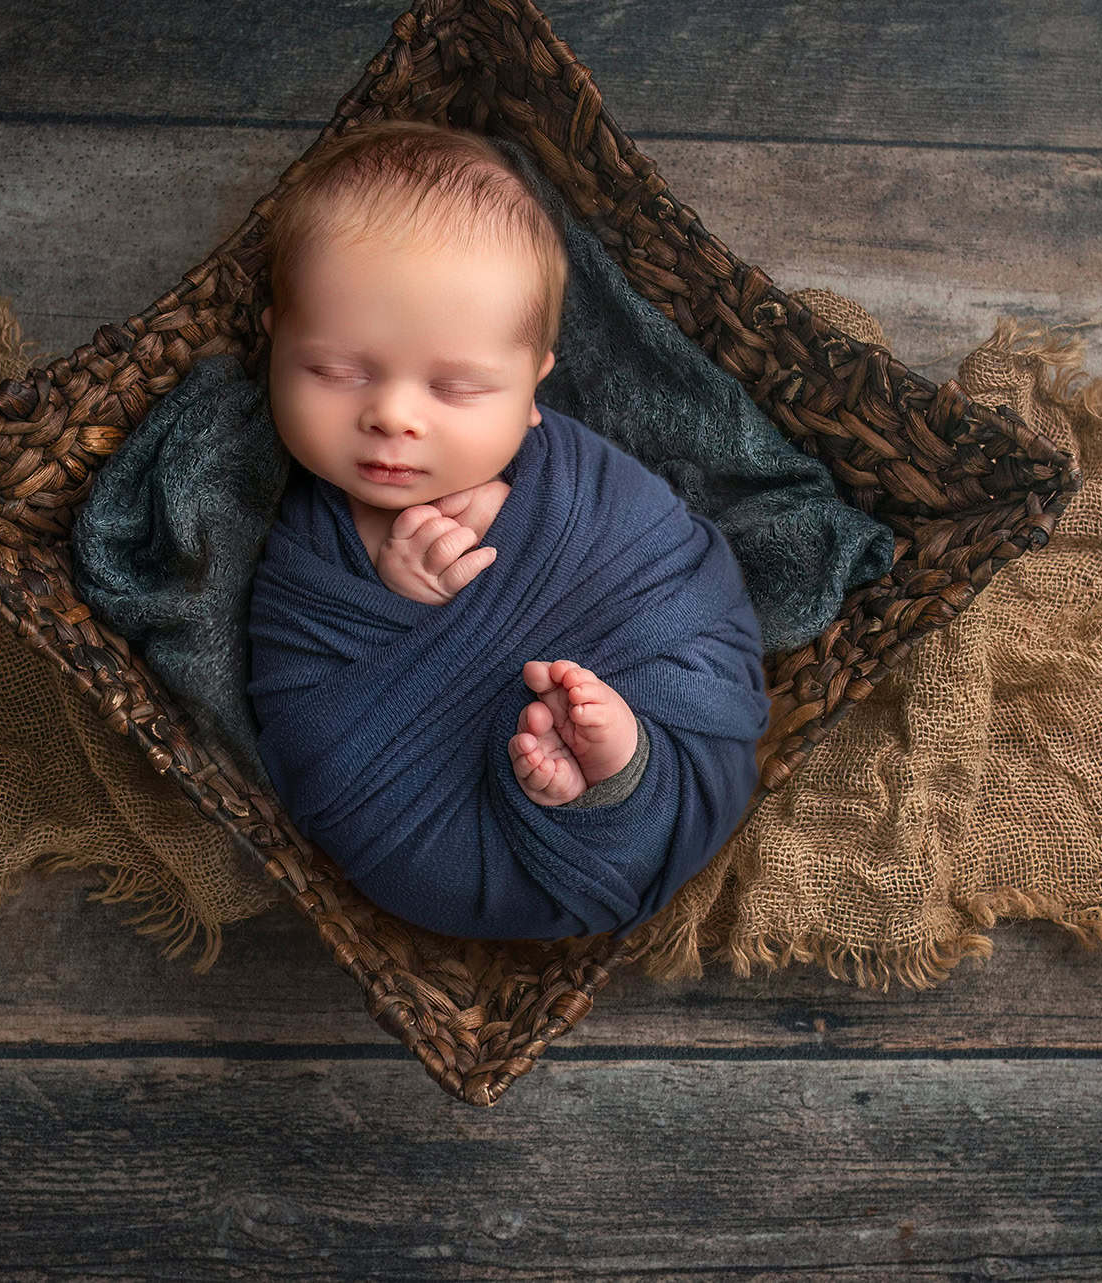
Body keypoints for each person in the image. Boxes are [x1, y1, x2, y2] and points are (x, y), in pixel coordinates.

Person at [246, 117, 770, 940]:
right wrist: (394, 597)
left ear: (533, 392)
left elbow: (680, 579)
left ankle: (618, 775)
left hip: (645, 696)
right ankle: (606, 789)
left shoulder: (575, 480)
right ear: (274, 343)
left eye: (455, 389)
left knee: (657, 714)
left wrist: (539, 530)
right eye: (337, 372)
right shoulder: (309, 541)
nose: (391, 414)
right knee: (434, 835)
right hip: (422, 825)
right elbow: (300, 713)